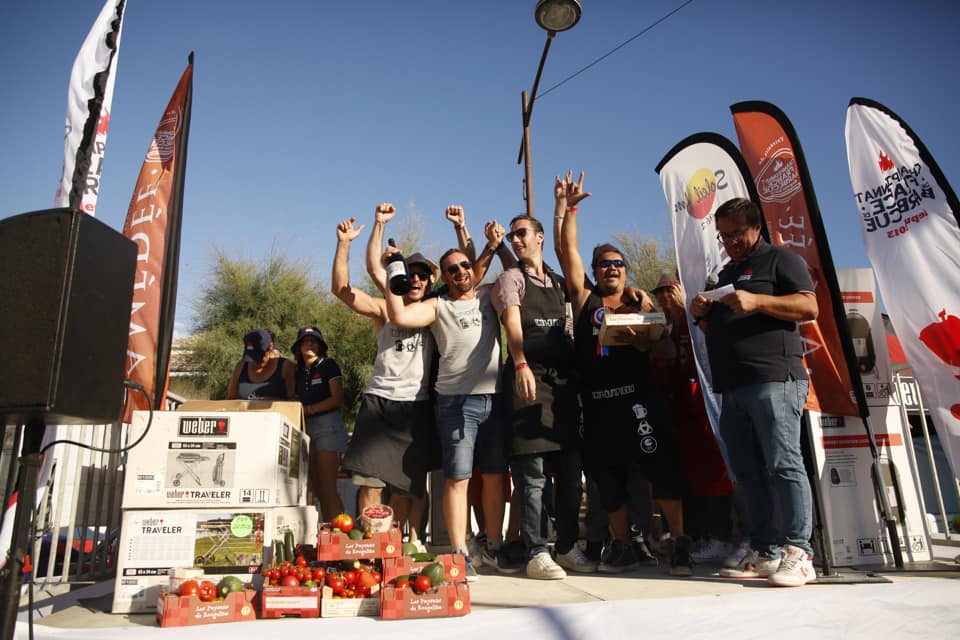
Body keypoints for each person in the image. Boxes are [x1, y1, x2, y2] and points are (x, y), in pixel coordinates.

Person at [556, 171, 693, 576]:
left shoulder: (641, 303)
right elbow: (568, 249)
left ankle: (680, 541)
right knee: (605, 478)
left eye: (617, 263)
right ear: (595, 271)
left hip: (638, 398)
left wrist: (643, 343)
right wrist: (571, 207)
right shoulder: (585, 298)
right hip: (598, 404)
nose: (610, 269)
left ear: (627, 270)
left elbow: (664, 347)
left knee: (660, 468)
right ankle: (621, 546)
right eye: (603, 264)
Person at [689, 197, 819, 587]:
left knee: (784, 463)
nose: (730, 242)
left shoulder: (781, 260)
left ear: (756, 227)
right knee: (746, 473)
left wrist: (757, 299)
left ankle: (800, 551)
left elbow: (809, 308)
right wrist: (701, 315)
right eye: (723, 236)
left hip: (774, 378)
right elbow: (719, 330)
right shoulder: (725, 272)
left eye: (736, 234)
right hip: (732, 386)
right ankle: (765, 549)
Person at [384, 210, 508, 581]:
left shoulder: (488, 296)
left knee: (497, 477)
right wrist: (394, 273)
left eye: (464, 266)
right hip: (455, 403)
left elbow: (484, 259)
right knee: (458, 478)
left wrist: (474, 234)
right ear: (445, 277)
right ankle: (459, 551)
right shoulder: (438, 306)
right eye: (451, 269)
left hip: (495, 399)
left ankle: (491, 545)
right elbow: (400, 318)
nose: (460, 272)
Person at [490, 213, 592, 579]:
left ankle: (566, 546)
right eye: (512, 235)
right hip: (527, 381)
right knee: (531, 477)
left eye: (521, 234)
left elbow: (570, 251)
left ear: (539, 237)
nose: (516, 240)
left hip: (563, 385)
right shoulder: (510, 279)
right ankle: (536, 551)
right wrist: (519, 364)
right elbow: (512, 325)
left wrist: (565, 207)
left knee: (569, 471)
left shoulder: (557, 282)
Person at [332, 205, 441, 543]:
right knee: (369, 482)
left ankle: (408, 543)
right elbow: (342, 289)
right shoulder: (385, 309)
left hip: (417, 406)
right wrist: (352, 240)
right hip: (380, 402)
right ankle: (371, 546)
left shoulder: (438, 311)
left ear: (430, 281)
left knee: (410, 487)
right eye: (412, 273)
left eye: (424, 275)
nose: (417, 279)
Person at [650, 272, 737, 562]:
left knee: (714, 471)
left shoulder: (694, 321)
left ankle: (721, 536)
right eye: (659, 292)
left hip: (703, 405)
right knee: (688, 475)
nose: (664, 296)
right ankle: (695, 535)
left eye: (669, 290)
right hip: (677, 410)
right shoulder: (663, 326)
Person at [291, 324, 348, 522]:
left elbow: (337, 398)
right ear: (298, 347)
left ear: (320, 345)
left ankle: (339, 535)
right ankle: (318, 536)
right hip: (303, 428)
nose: (309, 344)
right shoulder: (295, 370)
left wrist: (310, 409)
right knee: (311, 487)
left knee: (327, 487)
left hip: (327, 426)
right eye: (305, 341)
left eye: (313, 341)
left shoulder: (328, 365)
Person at [227, 328, 295, 400]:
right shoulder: (240, 367)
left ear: (270, 347)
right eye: (251, 356)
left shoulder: (285, 367)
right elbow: (230, 400)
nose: (255, 361)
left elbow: (294, 401)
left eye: (259, 356)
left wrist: (270, 401)